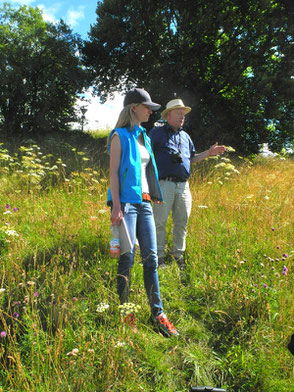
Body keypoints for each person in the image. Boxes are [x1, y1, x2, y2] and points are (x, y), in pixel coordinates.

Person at [107, 88, 179, 337]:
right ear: (133, 107)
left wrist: (154, 194)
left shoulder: (144, 137)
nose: (150, 110)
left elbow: (147, 170)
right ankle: (126, 314)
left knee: (151, 259)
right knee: (127, 259)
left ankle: (158, 314)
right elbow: (114, 173)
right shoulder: (119, 136)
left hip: (145, 204)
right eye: (147, 106)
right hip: (126, 205)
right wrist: (116, 205)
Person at [149, 98, 226, 268]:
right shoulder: (156, 133)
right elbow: (146, 157)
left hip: (184, 186)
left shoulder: (185, 137)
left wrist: (209, 152)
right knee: (159, 221)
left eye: (183, 114)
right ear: (168, 115)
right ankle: (158, 256)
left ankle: (178, 255)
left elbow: (192, 158)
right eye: (179, 113)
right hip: (164, 184)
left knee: (182, 222)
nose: (182, 117)